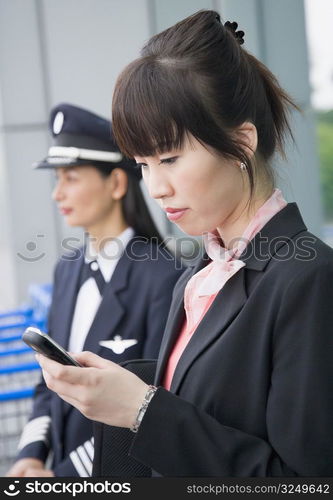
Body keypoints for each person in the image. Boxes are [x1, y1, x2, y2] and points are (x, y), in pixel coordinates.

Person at [35, 11, 333, 477]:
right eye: (144, 164)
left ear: (241, 143)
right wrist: (122, 394)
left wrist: (141, 408)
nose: (155, 188)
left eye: (170, 157)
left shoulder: (308, 278)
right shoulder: (198, 277)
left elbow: (305, 482)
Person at [7, 103, 183, 477]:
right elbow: (49, 379)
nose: (57, 194)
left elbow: (154, 405)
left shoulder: (165, 277)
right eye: (58, 179)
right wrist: (31, 455)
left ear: (117, 183)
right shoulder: (67, 268)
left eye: (71, 177)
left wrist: (62, 477)